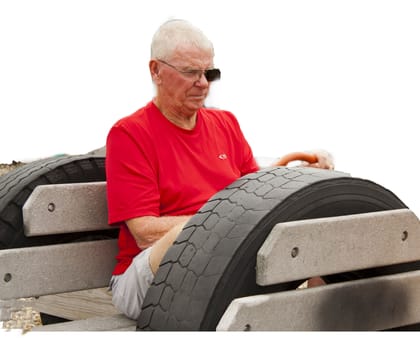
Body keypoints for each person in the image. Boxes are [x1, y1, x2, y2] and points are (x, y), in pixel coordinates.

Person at [105, 19, 334, 320]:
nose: (203, 83)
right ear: (155, 71)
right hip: (149, 276)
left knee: (324, 215)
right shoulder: (130, 134)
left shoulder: (225, 123)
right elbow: (145, 233)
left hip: (225, 261)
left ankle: (320, 320)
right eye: (190, 72)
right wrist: (223, 225)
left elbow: (257, 191)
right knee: (183, 237)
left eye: (209, 73)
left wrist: (303, 171)